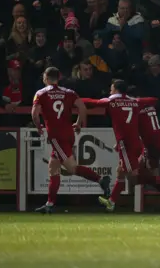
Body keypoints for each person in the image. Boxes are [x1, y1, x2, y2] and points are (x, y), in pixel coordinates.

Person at [81, 80, 160, 212]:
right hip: (135, 141)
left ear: (116, 90)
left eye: (111, 89)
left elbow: (92, 102)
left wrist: (75, 99)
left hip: (126, 143)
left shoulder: (112, 101)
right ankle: (111, 202)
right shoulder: (134, 102)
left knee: (133, 176)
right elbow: (153, 100)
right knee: (121, 171)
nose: (110, 91)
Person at [31, 67, 111, 214]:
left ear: (45, 78)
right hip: (68, 133)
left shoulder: (41, 93)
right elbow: (82, 108)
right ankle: (50, 204)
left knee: (71, 168)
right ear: (59, 77)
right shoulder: (68, 92)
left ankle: (100, 179)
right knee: (53, 168)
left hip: (56, 135)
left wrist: (39, 127)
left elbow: (35, 115)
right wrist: (79, 123)